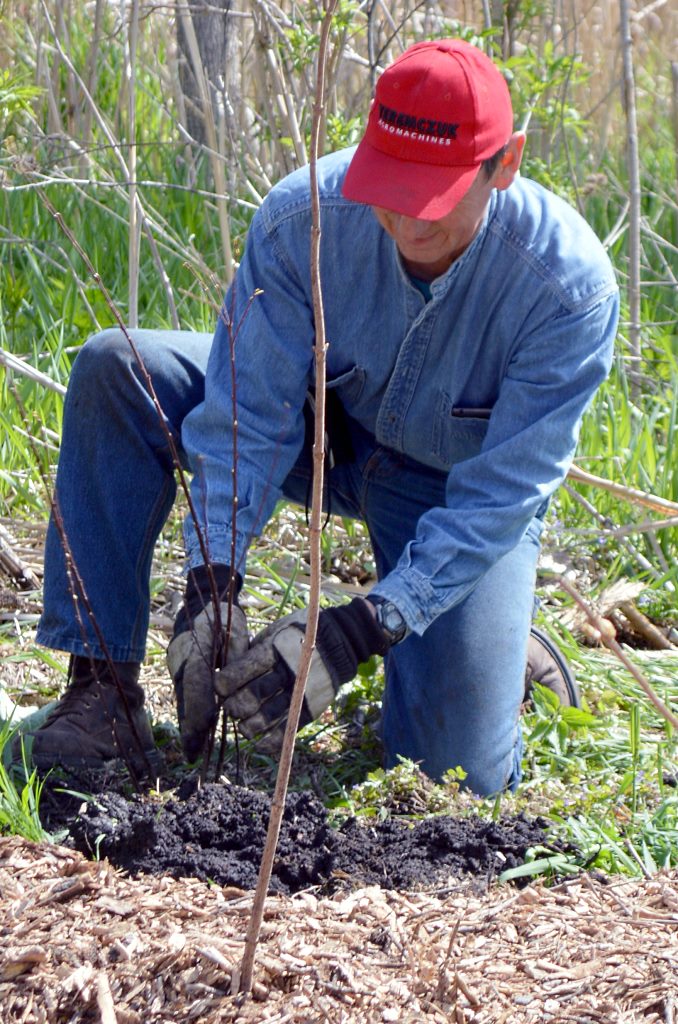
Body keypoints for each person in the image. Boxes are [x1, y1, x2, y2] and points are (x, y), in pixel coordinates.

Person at [21, 39, 618, 795]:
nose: (406, 221)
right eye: (391, 187)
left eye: (432, 196)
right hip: (319, 439)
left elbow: (499, 499)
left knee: (457, 776)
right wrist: (213, 582)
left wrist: (359, 630)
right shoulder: (304, 216)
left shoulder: (568, 291)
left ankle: (497, 652)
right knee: (119, 368)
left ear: (507, 163)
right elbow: (248, 413)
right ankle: (100, 690)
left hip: (449, 491)